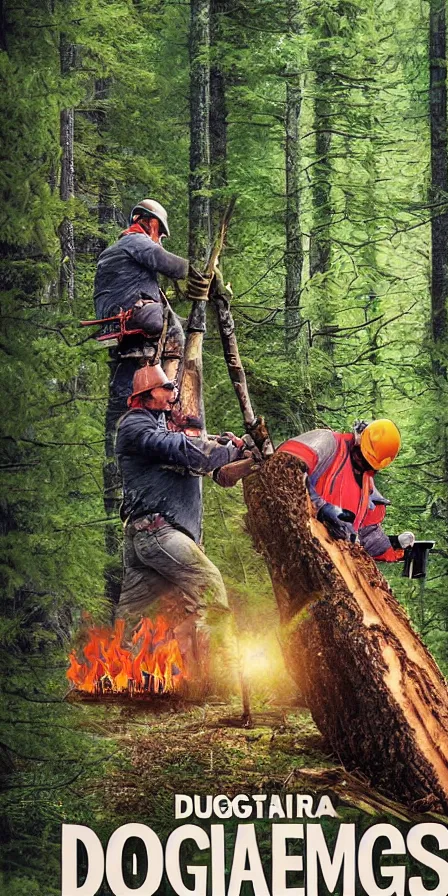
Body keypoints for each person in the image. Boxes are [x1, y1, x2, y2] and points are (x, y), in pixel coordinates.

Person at [115, 363, 256, 689]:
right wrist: (226, 451)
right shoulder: (136, 425)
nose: (172, 392)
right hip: (158, 534)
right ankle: (221, 674)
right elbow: (181, 449)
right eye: (165, 388)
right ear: (147, 394)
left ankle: (122, 683)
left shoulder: (158, 427)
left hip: (147, 536)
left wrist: (230, 450)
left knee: (131, 620)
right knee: (209, 585)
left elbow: (200, 455)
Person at [93, 198, 210, 421]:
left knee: (123, 390)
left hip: (114, 325)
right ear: (150, 223)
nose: (161, 240)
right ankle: (169, 399)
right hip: (135, 317)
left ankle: (116, 441)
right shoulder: (135, 240)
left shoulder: (113, 252)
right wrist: (195, 274)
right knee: (175, 331)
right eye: (161, 233)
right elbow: (161, 259)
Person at [277, 419, 414, 562]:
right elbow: (283, 466)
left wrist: (395, 548)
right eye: (361, 457)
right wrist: (321, 507)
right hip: (288, 534)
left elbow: (366, 534)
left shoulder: (367, 487)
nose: (362, 465)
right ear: (359, 439)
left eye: (368, 465)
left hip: (324, 560)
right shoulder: (327, 443)